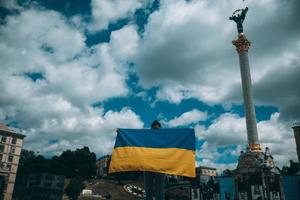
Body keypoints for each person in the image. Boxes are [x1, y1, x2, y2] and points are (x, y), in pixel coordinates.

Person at [144, 120, 166, 200]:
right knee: (148, 191)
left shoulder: (164, 140)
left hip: (160, 166)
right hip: (147, 166)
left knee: (159, 191)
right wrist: (121, 132)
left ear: (160, 130)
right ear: (151, 130)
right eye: (153, 129)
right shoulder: (146, 139)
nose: (155, 131)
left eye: (157, 129)